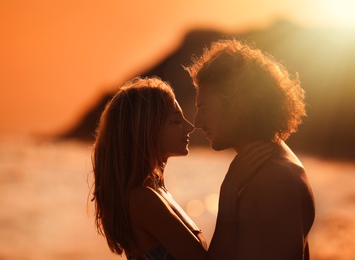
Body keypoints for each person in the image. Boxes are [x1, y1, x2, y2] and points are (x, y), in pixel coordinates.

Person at [91, 76, 272, 259]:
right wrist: (228, 194)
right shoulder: (142, 199)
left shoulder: (155, 190)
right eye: (176, 121)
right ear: (147, 130)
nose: (189, 127)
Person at [186, 39, 315, 260]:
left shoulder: (274, 178)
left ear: (236, 103)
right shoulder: (268, 166)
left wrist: (227, 199)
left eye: (204, 108)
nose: (197, 122)